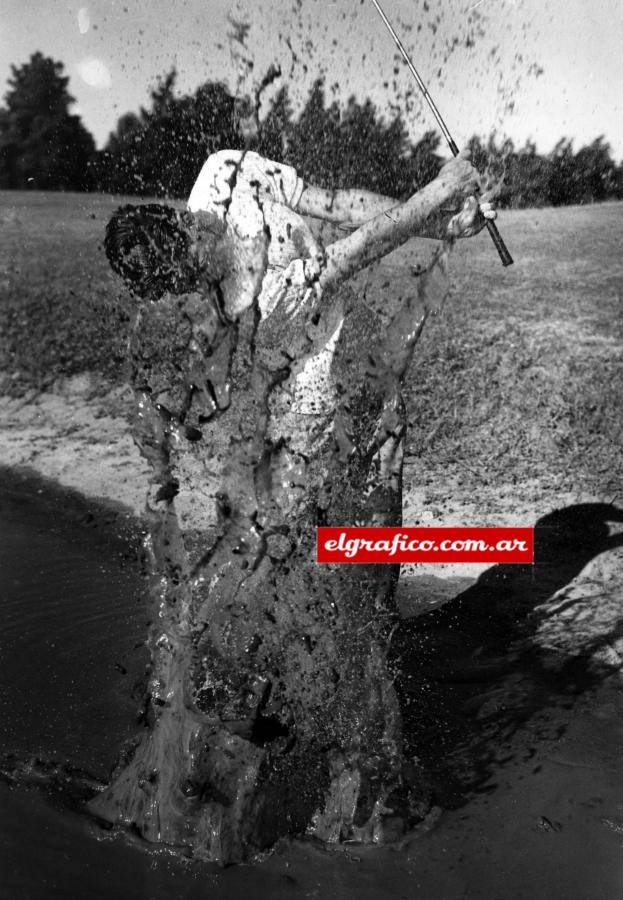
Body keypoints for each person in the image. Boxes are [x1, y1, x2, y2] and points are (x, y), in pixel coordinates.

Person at [95, 118, 499, 861]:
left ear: (180, 215)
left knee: (363, 581)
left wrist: (446, 219)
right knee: (321, 584)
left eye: (193, 237)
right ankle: (345, 793)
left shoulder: (224, 171)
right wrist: (437, 193)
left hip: (366, 394)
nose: (204, 254)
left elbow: (333, 202)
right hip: (309, 432)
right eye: (192, 269)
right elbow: (354, 251)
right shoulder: (249, 299)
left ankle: (340, 761)